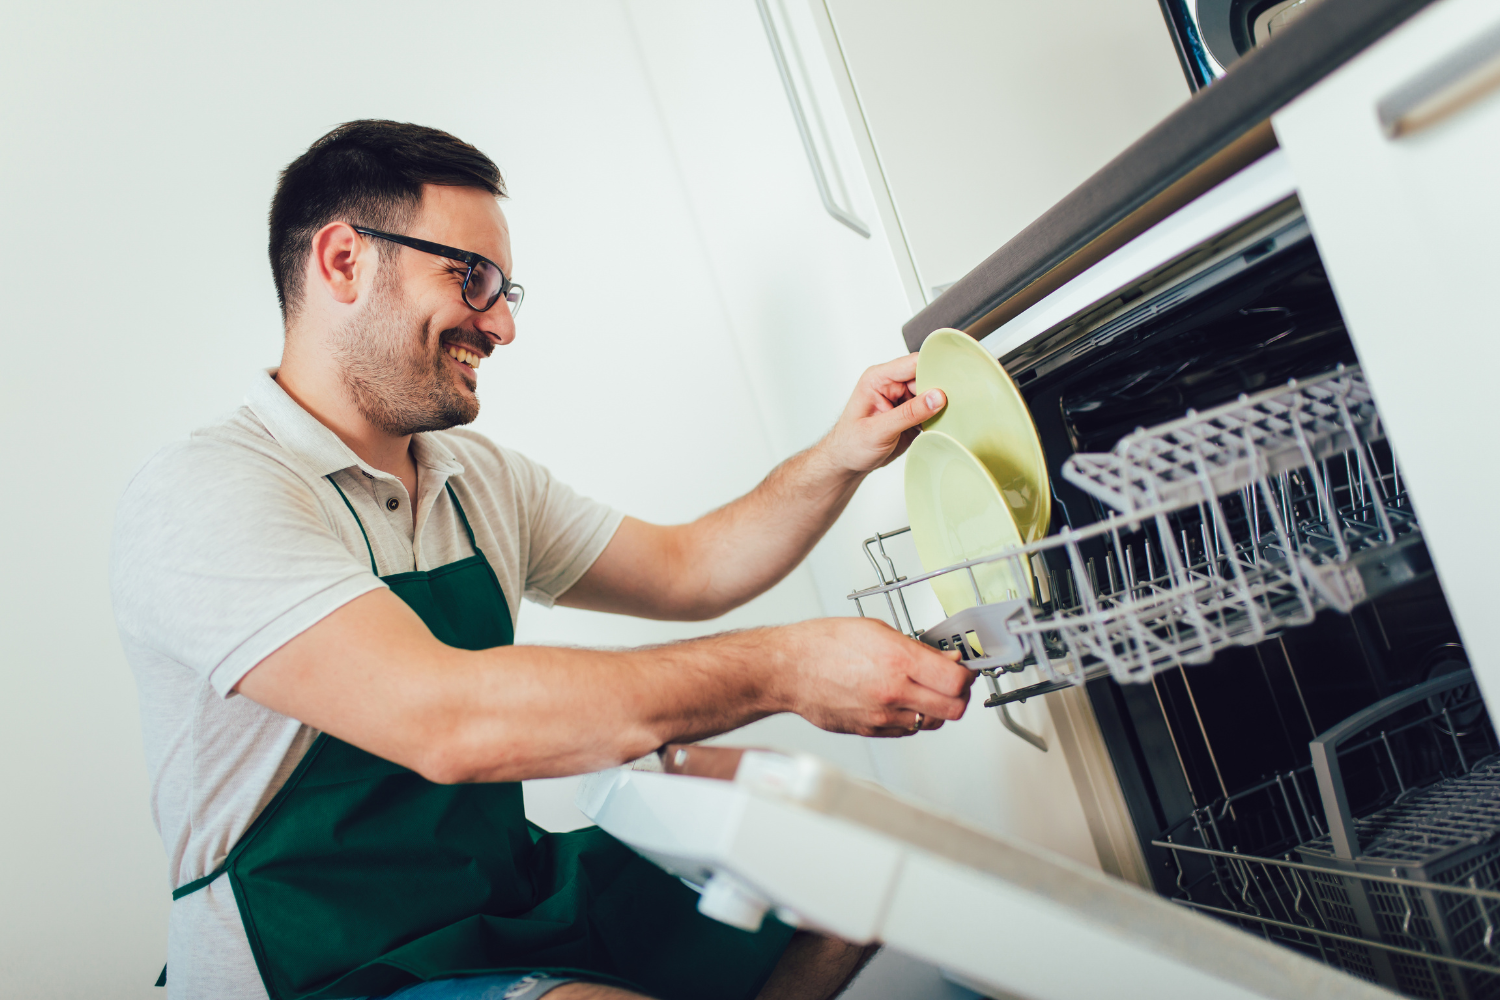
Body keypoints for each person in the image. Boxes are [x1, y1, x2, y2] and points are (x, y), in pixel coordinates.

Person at [111, 120, 972, 1000]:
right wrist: (786, 667)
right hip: (325, 966)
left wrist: (838, 455)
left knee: (850, 873)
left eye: (505, 289)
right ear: (343, 261)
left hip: (496, 902)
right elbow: (444, 719)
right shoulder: (209, 492)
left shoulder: (475, 479)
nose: (502, 326)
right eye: (472, 278)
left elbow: (690, 570)